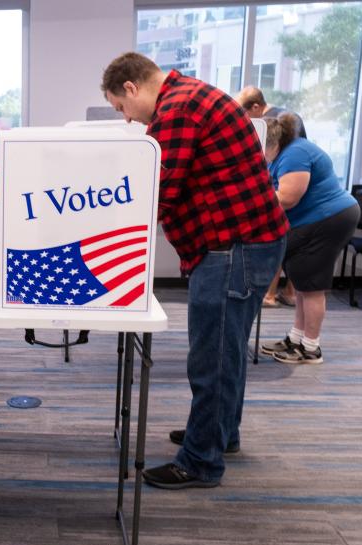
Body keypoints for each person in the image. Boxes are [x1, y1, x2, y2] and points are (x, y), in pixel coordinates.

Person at [102, 52, 288, 490]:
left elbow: (160, 188)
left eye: (121, 109)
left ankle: (201, 461)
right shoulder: (190, 96)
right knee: (228, 348)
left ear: (131, 88)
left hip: (233, 246)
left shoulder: (177, 109)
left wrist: (105, 235)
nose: (128, 120)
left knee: (213, 356)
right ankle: (220, 433)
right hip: (246, 241)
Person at [260, 115, 359, 365]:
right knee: (303, 283)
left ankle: (311, 348)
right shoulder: (284, 153)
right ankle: (297, 339)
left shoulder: (295, 153)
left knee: (312, 286)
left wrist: (254, 195)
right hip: (315, 220)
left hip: (329, 218)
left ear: (272, 142)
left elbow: (287, 197)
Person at [237, 86, 306, 308]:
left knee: (278, 239)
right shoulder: (272, 119)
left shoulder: (286, 120)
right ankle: (275, 292)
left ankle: (275, 293)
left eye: (243, 112)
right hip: (273, 187)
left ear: (255, 107)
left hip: (287, 189)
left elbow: (290, 158)